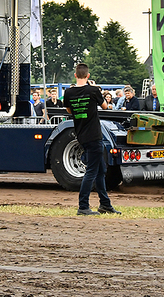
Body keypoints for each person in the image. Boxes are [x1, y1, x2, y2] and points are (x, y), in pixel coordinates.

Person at [64, 63, 120, 216]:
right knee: (91, 172)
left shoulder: (68, 92)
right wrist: (96, 90)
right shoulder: (93, 90)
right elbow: (105, 106)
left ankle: (105, 204)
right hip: (94, 135)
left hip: (81, 134)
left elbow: (69, 110)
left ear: (75, 75)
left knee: (101, 170)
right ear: (88, 76)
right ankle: (83, 206)